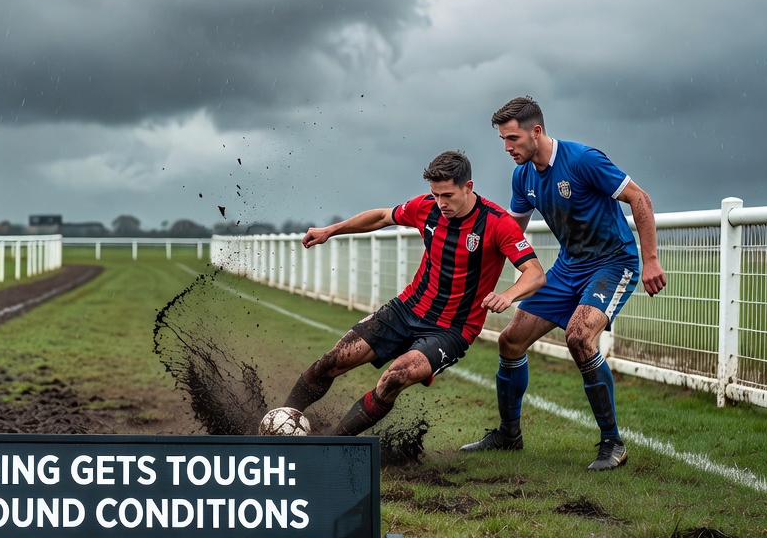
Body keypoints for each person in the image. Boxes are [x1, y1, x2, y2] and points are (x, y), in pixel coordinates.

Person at [460, 96, 668, 471]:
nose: (507, 148)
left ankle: (612, 443)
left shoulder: (583, 159)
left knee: (578, 337)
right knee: (510, 341)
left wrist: (651, 260)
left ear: (536, 131)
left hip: (613, 263)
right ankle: (509, 434)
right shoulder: (522, 176)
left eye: (513, 139)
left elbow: (640, 198)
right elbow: (512, 235)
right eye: (503, 140)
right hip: (568, 269)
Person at [280, 151, 545, 438]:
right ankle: (280, 418)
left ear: (468, 187)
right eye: (435, 194)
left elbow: (535, 273)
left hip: (452, 329)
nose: (441, 203)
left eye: (448, 195)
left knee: (395, 377)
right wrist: (330, 230)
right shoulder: (426, 207)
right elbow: (382, 217)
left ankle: (331, 444)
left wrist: (508, 295)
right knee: (332, 361)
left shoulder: (497, 222)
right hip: (405, 310)